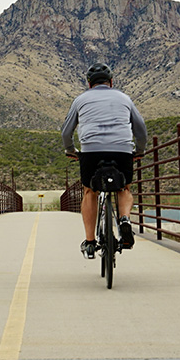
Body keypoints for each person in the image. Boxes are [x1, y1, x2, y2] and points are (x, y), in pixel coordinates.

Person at [61, 63, 148, 259]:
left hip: (91, 151)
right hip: (122, 150)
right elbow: (141, 129)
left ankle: (90, 242)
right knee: (123, 188)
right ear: (111, 82)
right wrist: (139, 151)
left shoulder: (80, 99)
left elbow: (66, 132)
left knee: (90, 190)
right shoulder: (124, 98)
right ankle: (124, 219)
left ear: (89, 84)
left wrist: (71, 150)